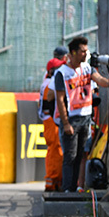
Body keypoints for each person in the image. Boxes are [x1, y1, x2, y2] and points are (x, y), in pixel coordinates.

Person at [54, 36, 109, 192]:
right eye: (82, 51)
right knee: (70, 156)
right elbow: (60, 100)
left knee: (81, 154)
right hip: (72, 119)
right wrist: (66, 123)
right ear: (73, 52)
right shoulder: (62, 73)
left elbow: (99, 79)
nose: (85, 54)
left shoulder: (87, 68)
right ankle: (68, 188)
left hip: (86, 118)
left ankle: (76, 187)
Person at [39, 46, 67, 192]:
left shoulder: (47, 79)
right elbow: (48, 104)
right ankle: (53, 182)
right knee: (56, 150)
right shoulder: (49, 83)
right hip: (51, 120)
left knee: (55, 150)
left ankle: (54, 181)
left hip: (50, 120)